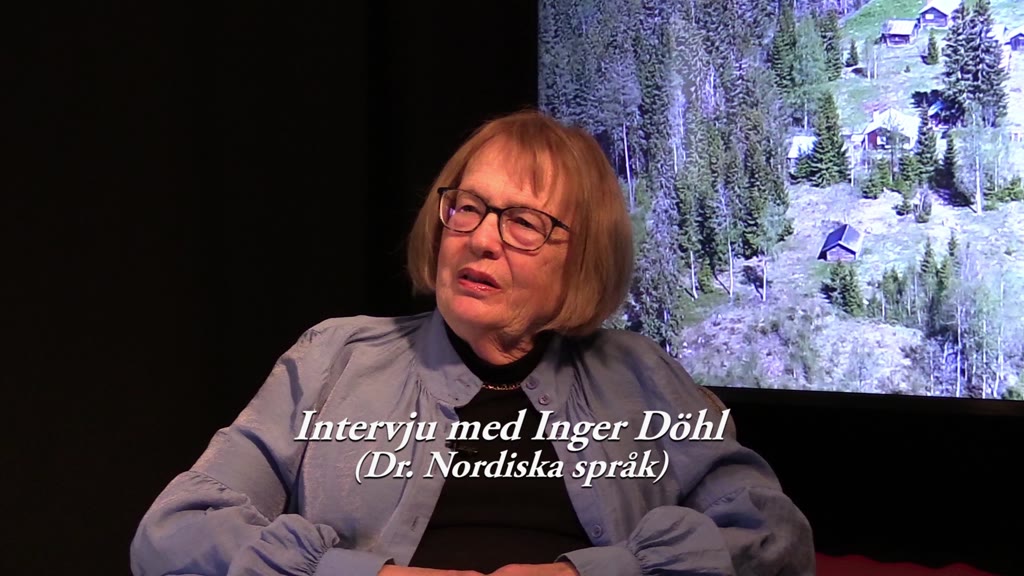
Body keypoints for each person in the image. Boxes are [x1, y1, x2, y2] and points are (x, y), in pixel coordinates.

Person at [130, 109, 815, 576]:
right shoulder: (333, 357)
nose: (481, 238)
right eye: (468, 207)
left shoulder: (640, 376)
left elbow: (774, 540)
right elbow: (172, 536)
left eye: (524, 223)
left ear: (582, 260)